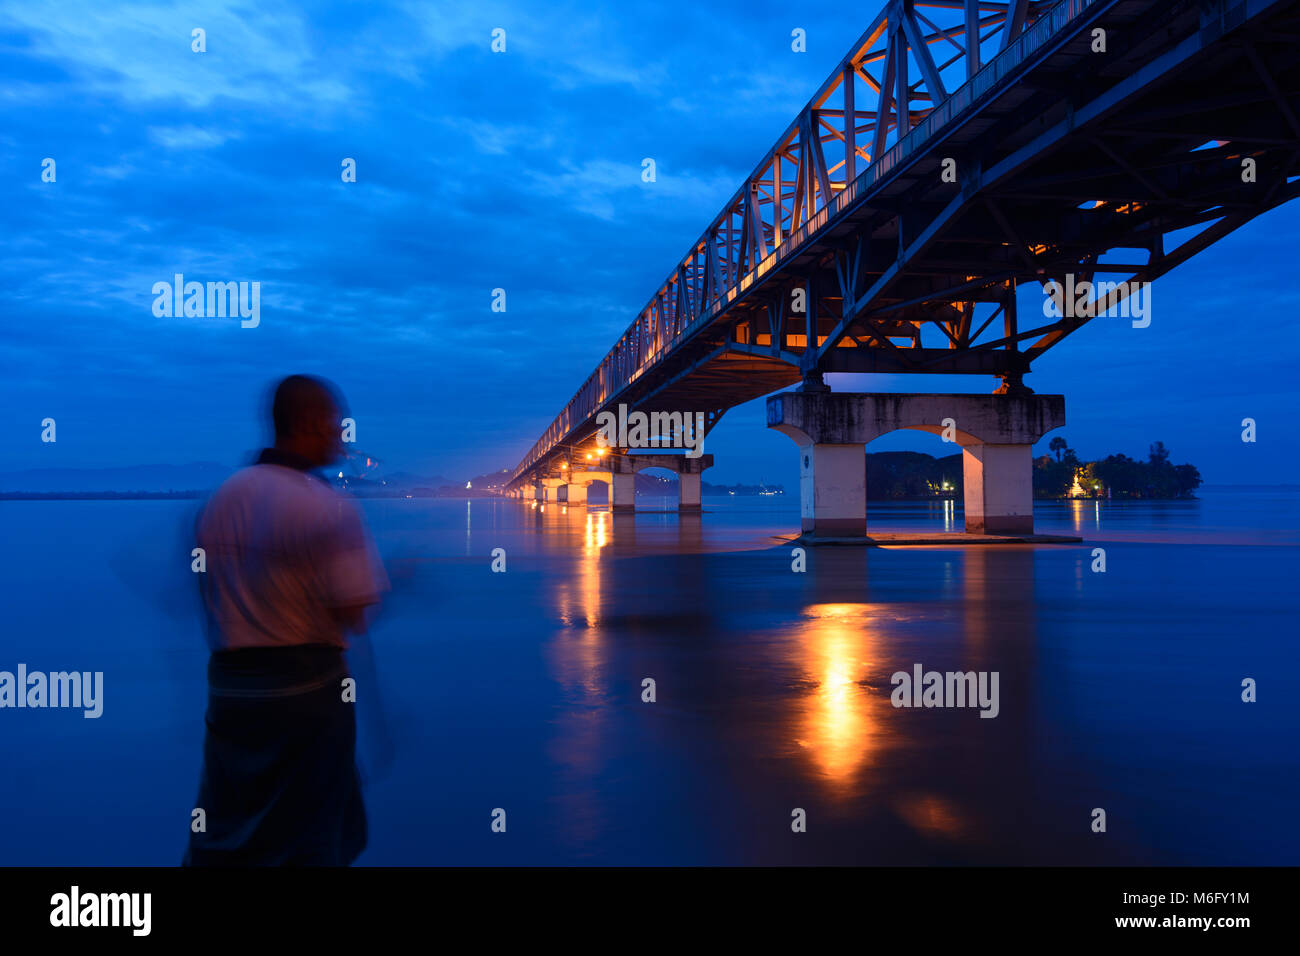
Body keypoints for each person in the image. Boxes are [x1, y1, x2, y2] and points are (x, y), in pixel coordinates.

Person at [184, 375, 388, 866]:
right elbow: (353, 614)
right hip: (305, 692)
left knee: (229, 830)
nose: (341, 437)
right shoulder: (325, 506)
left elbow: (209, 594)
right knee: (314, 834)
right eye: (335, 424)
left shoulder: (220, 501)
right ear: (308, 423)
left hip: (231, 691)